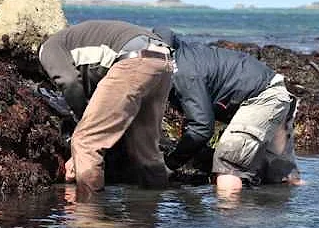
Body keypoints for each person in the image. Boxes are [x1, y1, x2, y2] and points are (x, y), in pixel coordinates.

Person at [153, 27, 301, 192]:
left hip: (263, 97)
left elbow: (201, 128)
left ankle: (227, 216)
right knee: (283, 178)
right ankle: (295, 216)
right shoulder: (184, 55)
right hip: (275, 92)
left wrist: (170, 163)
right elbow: (193, 117)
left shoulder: (181, 72)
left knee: (227, 164)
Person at [39, 20, 173, 193]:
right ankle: (150, 211)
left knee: (86, 142)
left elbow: (69, 82)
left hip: (134, 60)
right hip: (164, 60)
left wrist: (82, 120)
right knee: (146, 149)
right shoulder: (77, 39)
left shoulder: (48, 48)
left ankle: (89, 214)